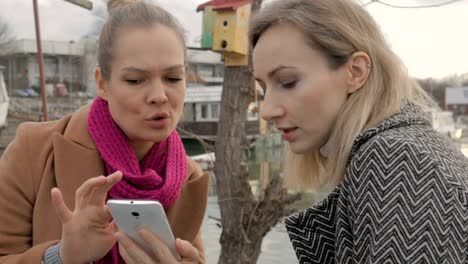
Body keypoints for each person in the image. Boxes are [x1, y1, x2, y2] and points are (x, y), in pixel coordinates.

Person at [250, 0, 468, 263]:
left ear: (356, 71)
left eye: (288, 82)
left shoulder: (394, 159)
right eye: (264, 89)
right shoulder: (407, 148)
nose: (267, 110)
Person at [0, 0, 209, 263]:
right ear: (102, 84)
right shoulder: (33, 150)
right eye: (135, 80)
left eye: (173, 78)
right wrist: (62, 257)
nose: (159, 96)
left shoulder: (186, 175)